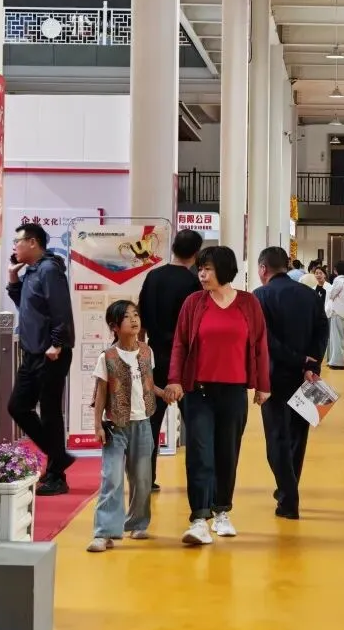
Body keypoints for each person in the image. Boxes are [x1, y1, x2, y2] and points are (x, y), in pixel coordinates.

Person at [167, 246, 271, 546]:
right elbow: (180, 344)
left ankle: (222, 511)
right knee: (200, 453)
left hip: (234, 391)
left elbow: (260, 345)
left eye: (208, 269)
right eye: (200, 269)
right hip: (198, 391)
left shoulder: (249, 303)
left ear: (224, 270)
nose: (202, 274)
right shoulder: (193, 303)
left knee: (227, 452)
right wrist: (174, 379)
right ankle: (199, 518)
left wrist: (263, 385)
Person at [254, 247, 329, 519]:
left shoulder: (260, 296)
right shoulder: (310, 295)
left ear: (263, 269)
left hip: (273, 376)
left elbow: (265, 339)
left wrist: (296, 359)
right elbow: (322, 331)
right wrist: (311, 364)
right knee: (298, 435)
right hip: (306, 377)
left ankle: (288, 497)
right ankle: (289, 488)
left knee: (277, 437)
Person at [6, 222, 77, 496]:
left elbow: (61, 311)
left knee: (49, 411)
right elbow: (24, 305)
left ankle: (57, 475)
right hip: (32, 351)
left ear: (33, 242)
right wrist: (13, 277)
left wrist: (57, 343)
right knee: (18, 406)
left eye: (18, 241)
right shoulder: (33, 271)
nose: (15, 246)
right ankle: (58, 456)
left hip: (50, 352)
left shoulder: (49, 270)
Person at [87, 301, 162, 553]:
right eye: (127, 317)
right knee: (112, 478)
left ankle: (138, 523)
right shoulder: (107, 357)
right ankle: (104, 532)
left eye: (136, 315)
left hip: (143, 423)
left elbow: (148, 385)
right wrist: (97, 425)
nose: (134, 320)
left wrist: (165, 393)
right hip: (115, 425)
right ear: (114, 326)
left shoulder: (147, 352)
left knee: (143, 478)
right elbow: (100, 394)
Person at [137, 228, 203, 491]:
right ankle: (197, 483)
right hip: (185, 360)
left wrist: (141, 352)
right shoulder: (193, 283)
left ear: (173, 247)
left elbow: (140, 318)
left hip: (155, 356)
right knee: (195, 423)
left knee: (150, 421)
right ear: (196, 253)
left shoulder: (153, 276)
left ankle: (146, 480)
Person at [325, 261, 344, 369]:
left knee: (336, 338)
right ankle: (341, 360)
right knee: (343, 338)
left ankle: (337, 362)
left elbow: (332, 294)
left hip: (337, 312)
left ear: (336, 270)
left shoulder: (338, 280)